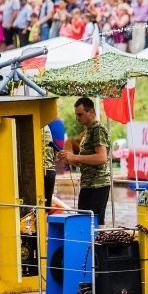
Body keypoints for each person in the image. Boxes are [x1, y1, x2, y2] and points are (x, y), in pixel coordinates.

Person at [56, 97, 111, 226]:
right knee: (84, 220)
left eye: (80, 114)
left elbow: (102, 157)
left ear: (91, 112)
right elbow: (83, 162)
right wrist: (69, 159)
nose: (77, 118)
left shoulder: (98, 129)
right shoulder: (88, 131)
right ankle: (91, 245)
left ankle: (96, 245)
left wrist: (74, 157)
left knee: (93, 222)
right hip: (88, 183)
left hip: (98, 184)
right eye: (76, 115)